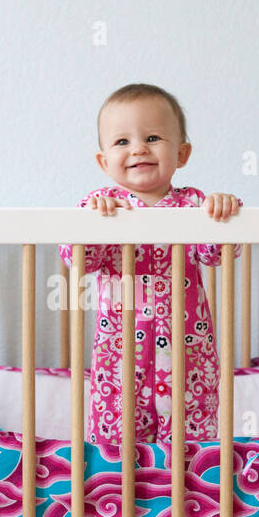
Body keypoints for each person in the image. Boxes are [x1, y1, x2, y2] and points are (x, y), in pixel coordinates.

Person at [59, 83, 242, 447]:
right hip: (119, 361)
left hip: (188, 360)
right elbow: (76, 259)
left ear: (182, 153)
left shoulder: (195, 205)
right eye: (122, 142)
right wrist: (94, 224)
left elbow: (218, 253)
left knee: (193, 443)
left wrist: (222, 213)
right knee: (116, 447)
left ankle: (190, 499)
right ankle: (120, 497)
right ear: (104, 161)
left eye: (153, 137)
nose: (139, 148)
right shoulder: (101, 206)